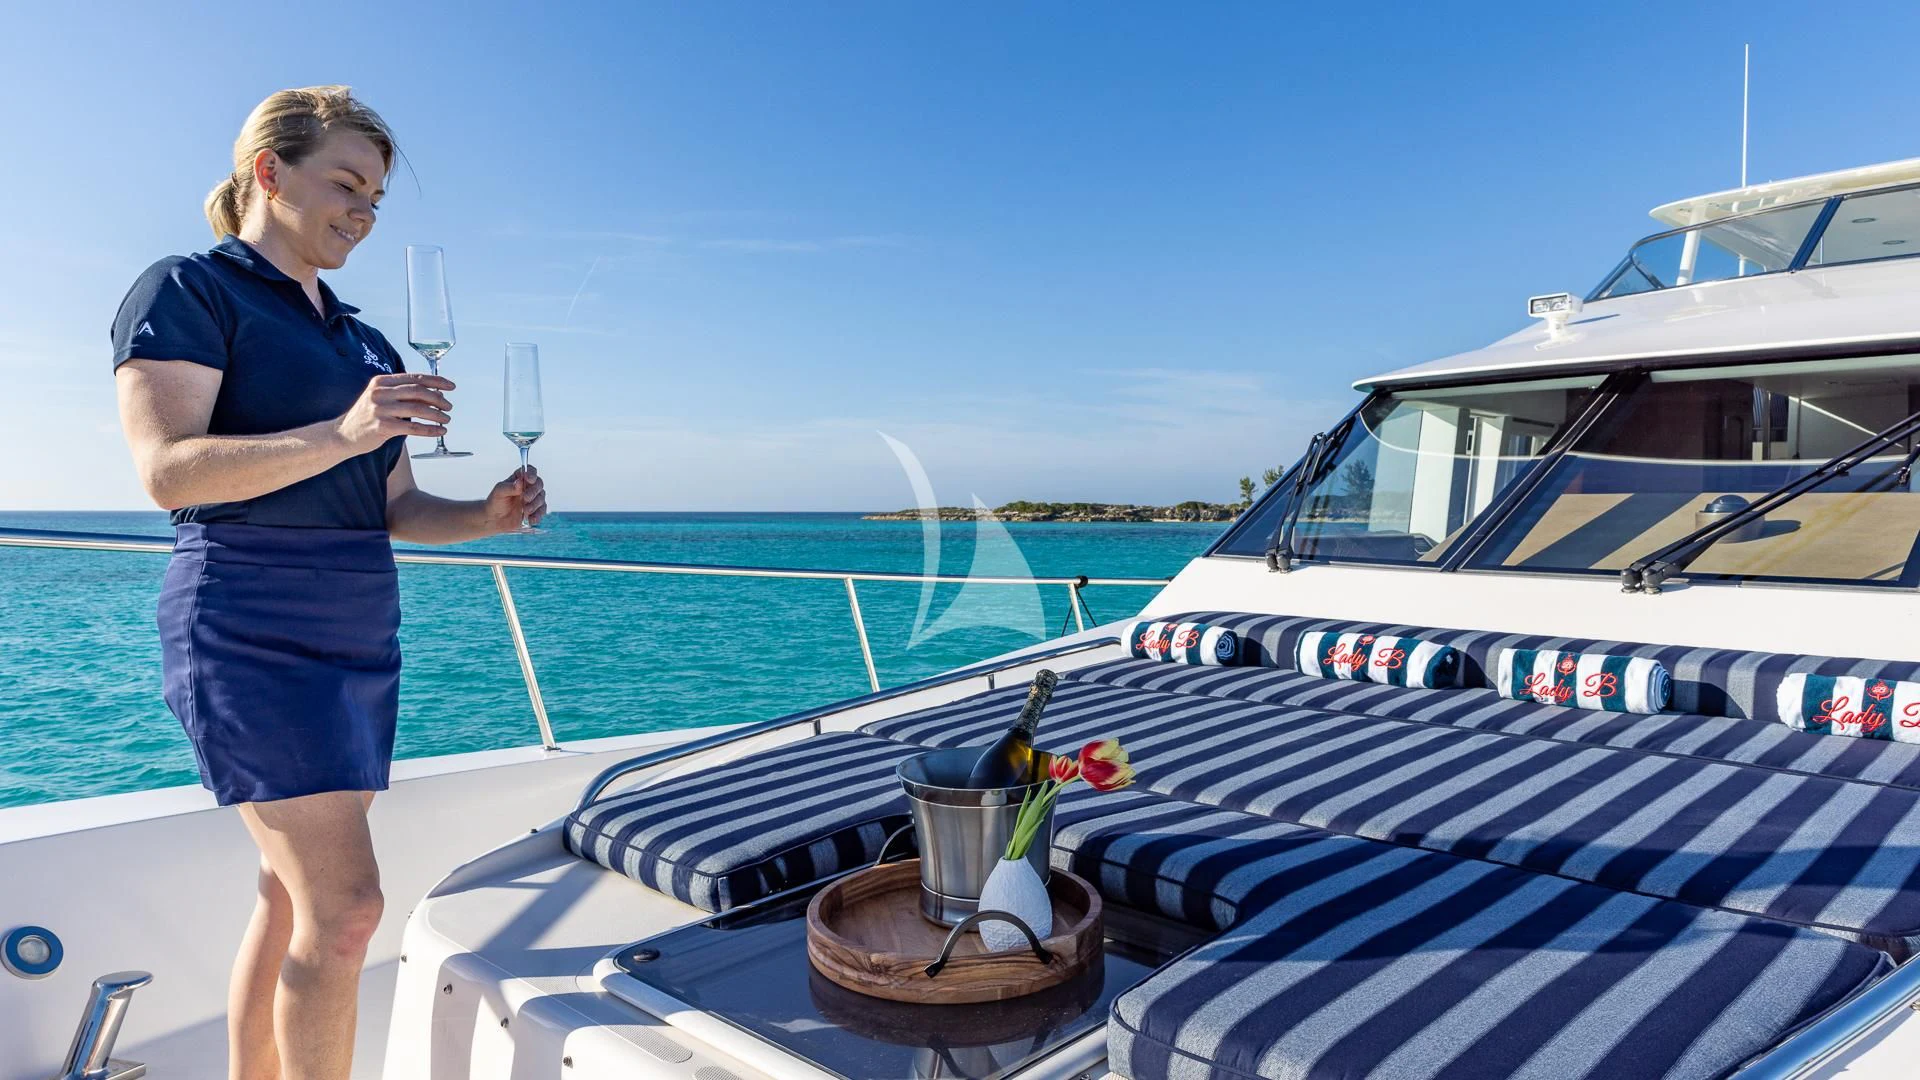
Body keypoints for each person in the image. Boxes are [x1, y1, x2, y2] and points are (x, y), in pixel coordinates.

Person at [110, 85, 547, 1080]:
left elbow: (398, 508)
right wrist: (346, 430)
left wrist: (486, 514)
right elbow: (169, 471)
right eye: (346, 182)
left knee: (291, 897)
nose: (362, 210)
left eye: (377, 198)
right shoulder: (189, 289)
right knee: (347, 908)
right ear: (270, 171)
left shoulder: (364, 340)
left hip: (356, 626)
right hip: (247, 617)